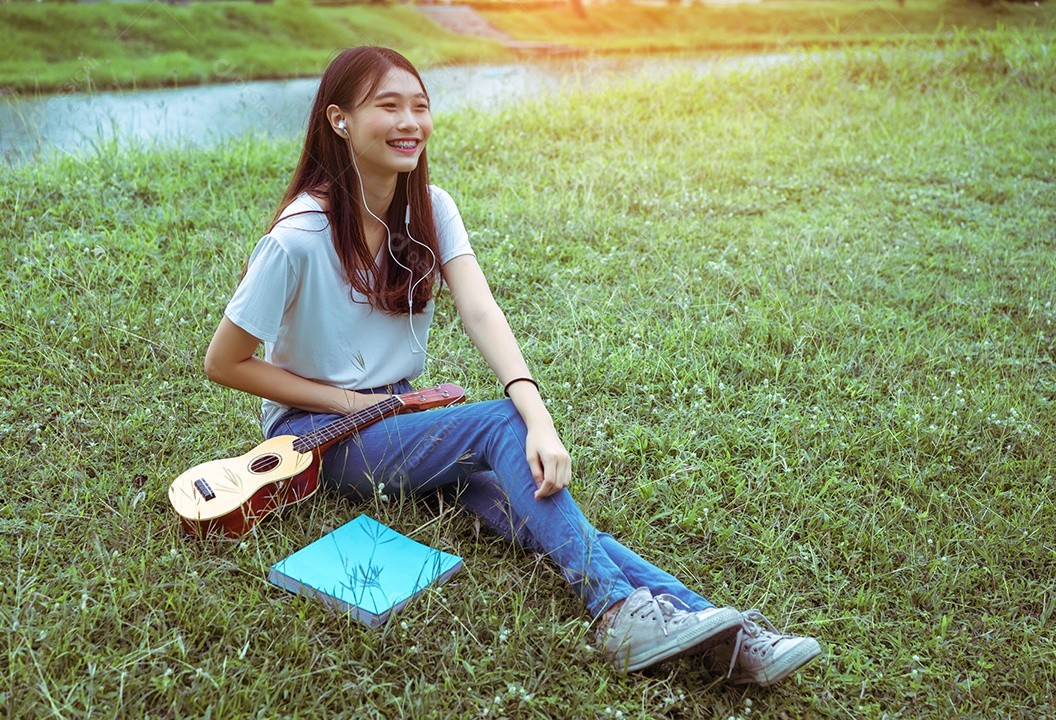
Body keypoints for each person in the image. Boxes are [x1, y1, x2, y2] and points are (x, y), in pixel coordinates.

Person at [203, 45, 821, 685]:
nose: (410, 121)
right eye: (388, 106)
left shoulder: (431, 209)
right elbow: (224, 362)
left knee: (545, 508)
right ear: (339, 121)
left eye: (421, 105)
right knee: (501, 428)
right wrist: (353, 405)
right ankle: (616, 613)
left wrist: (539, 413)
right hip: (317, 436)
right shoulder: (297, 236)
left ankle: (728, 636)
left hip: (401, 418)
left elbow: (481, 312)